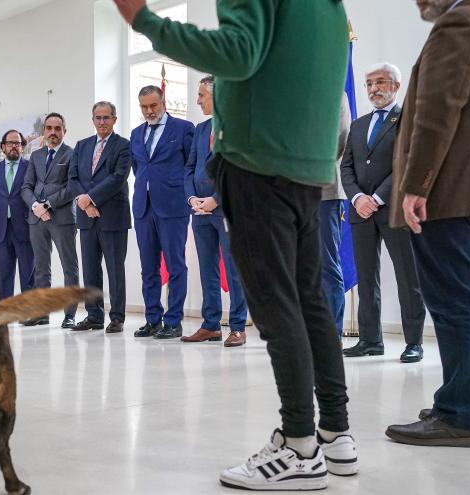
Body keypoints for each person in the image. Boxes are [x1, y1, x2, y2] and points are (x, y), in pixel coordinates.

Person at [116, 0, 355, 490]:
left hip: (258, 164)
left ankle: (299, 448)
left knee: (276, 305)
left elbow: (240, 54)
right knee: (309, 302)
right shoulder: (331, 8)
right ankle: (335, 433)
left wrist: (147, 21)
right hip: (308, 169)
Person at [385, 0, 470, 448]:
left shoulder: (459, 22)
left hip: (451, 193)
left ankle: (457, 415)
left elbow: (438, 110)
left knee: (454, 304)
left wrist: (416, 185)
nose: (418, 2)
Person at [340, 62, 426, 362]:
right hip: (359, 211)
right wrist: (357, 198)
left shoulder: (407, 119)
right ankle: (370, 340)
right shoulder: (359, 124)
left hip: (393, 210)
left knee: (407, 277)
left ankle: (414, 342)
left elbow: (408, 163)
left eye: (380, 82)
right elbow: (347, 166)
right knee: (366, 278)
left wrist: (376, 197)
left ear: (396, 86)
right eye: (369, 83)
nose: (374, 88)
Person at [181, 76, 248, 347]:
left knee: (234, 270)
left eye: (201, 95)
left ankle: (238, 327)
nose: (197, 100)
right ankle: (210, 325)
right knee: (207, 269)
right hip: (199, 212)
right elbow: (189, 168)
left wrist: (215, 200)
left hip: (228, 210)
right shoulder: (200, 128)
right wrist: (191, 198)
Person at [129, 85, 194, 340]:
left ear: (163, 102)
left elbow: (190, 164)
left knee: (176, 265)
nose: (149, 111)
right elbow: (139, 167)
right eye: (144, 106)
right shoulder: (136, 133)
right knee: (148, 267)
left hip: (173, 206)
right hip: (144, 208)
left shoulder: (183, 128)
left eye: (153, 105)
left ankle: (174, 321)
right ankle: (152, 319)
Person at [68, 102, 132, 334]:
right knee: (90, 269)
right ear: (92, 120)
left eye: (107, 117)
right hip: (87, 219)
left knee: (115, 269)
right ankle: (94, 315)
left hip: (112, 216)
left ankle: (116, 317)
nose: (102, 122)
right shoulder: (82, 145)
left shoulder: (123, 145)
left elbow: (118, 178)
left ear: (114, 119)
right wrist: (85, 203)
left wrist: (90, 199)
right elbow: (73, 177)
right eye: (98, 117)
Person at [21, 113, 80, 328]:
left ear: (65, 130)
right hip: (36, 219)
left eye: (57, 128)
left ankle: (70, 315)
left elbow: (72, 187)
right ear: (44, 131)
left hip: (62, 218)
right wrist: (36, 206)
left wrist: (48, 204)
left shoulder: (72, 154)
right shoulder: (36, 156)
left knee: (69, 267)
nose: (53, 132)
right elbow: (26, 186)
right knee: (41, 268)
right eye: (49, 128)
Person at [317, 94, 352, 340]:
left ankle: (331, 335)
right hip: (291, 194)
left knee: (327, 266)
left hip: (324, 193)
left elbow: (340, 141)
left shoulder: (335, 94)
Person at [0, 130, 35, 300]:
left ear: (22, 147)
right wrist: (2, 213)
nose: (14, 146)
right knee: (4, 273)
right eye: (10, 143)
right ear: (3, 147)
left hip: (25, 227)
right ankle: (6, 308)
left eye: (18, 143)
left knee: (28, 273)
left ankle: (28, 311)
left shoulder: (30, 168)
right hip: (0, 229)